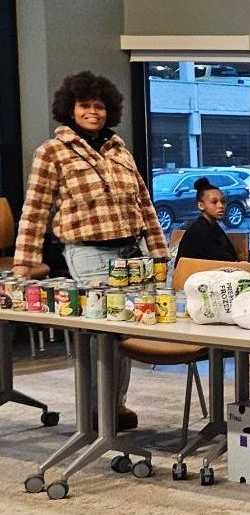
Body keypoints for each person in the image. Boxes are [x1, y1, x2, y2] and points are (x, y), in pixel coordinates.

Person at [13, 71, 169, 431]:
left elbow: (145, 207)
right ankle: (96, 409)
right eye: (85, 105)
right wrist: (24, 264)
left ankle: (114, 405)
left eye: (99, 106)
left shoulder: (119, 151)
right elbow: (34, 210)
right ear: (70, 109)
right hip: (88, 253)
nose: (93, 112)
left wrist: (160, 256)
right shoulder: (52, 152)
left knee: (126, 331)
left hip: (133, 254)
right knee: (103, 335)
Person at [173, 178, 238, 265]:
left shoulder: (213, 227)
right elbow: (223, 259)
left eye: (223, 201)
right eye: (214, 202)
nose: (220, 206)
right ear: (201, 205)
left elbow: (230, 257)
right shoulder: (198, 231)